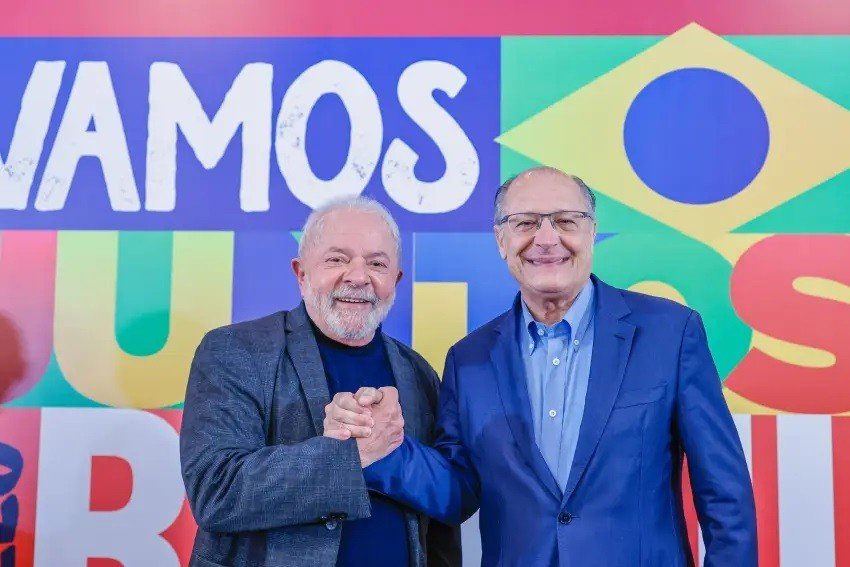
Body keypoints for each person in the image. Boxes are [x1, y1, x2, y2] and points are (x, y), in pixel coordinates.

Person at [325, 167, 757, 566]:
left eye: (566, 221)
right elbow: (457, 491)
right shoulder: (469, 359)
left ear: (592, 232)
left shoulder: (670, 333)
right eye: (526, 223)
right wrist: (385, 449)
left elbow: (724, 494)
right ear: (501, 241)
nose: (547, 239)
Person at [180, 196, 461, 567]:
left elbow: (445, 510)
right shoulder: (236, 349)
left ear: (395, 280)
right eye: (337, 259)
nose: (358, 277)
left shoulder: (418, 372)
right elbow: (217, 490)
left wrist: (391, 449)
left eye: (377, 263)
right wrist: (353, 455)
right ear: (301, 274)